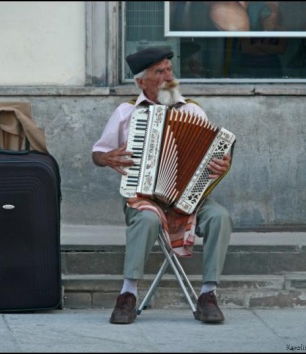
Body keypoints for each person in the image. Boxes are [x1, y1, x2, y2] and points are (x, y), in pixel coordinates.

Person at [91, 47, 234, 325]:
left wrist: (222, 166)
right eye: (159, 71)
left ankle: (208, 294)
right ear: (141, 82)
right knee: (145, 219)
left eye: (169, 68)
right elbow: (99, 152)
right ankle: (128, 295)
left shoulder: (191, 109)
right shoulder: (126, 112)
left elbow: (212, 157)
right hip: (143, 197)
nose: (168, 76)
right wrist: (104, 158)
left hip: (189, 198)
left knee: (220, 217)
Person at [238, 2, 287, 78]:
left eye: (273, 15)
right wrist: (268, 49)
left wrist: (257, 45)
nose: (269, 19)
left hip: (271, 65)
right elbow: (246, 48)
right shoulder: (249, 28)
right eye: (266, 16)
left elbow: (280, 49)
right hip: (250, 63)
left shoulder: (281, 30)